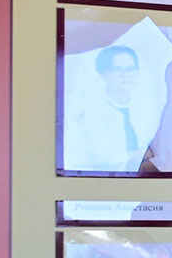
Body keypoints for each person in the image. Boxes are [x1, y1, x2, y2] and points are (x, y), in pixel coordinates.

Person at [64, 44, 165, 174]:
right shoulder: (89, 111)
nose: (125, 75)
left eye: (130, 69)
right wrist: (136, 155)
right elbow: (97, 158)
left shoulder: (147, 108)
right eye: (117, 69)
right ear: (103, 74)